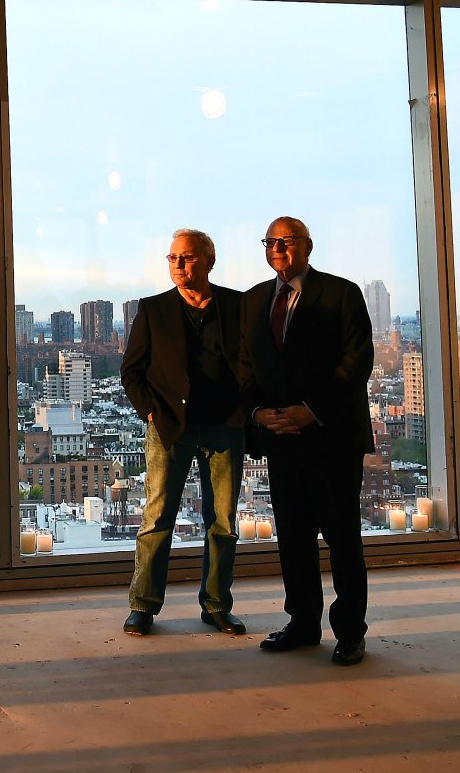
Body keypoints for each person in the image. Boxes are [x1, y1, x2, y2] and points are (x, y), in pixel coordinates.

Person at [239, 216, 374, 665]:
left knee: (342, 538)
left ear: (308, 246)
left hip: (331, 438)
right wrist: (258, 413)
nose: (277, 248)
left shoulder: (341, 294)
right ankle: (302, 623)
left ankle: (350, 631)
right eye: (270, 242)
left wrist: (311, 410)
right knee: (293, 539)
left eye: (287, 241)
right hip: (281, 439)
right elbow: (244, 365)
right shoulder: (254, 300)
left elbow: (356, 362)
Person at [121, 229, 246, 636]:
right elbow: (131, 371)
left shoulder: (237, 305)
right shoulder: (154, 309)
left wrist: (242, 410)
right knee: (157, 517)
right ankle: (143, 604)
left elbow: (252, 364)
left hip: (224, 426)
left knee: (223, 521)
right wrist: (151, 413)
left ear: (209, 260)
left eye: (188, 257)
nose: (178, 264)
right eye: (173, 257)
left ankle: (216, 605)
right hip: (170, 428)